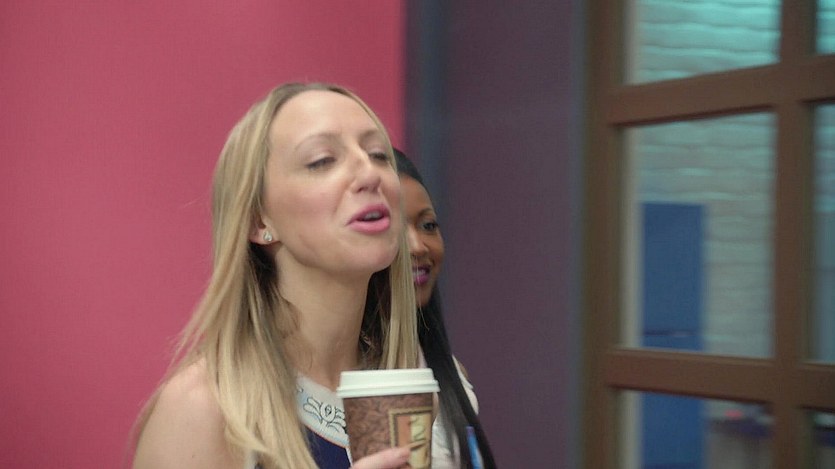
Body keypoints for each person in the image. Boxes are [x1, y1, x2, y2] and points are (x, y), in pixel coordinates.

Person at [132, 82, 421, 469]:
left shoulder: (417, 389)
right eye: (322, 160)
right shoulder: (204, 409)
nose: (370, 174)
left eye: (379, 155)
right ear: (258, 220)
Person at [394, 149, 497, 469]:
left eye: (428, 225)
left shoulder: (450, 372)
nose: (417, 246)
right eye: (393, 229)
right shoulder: (332, 385)